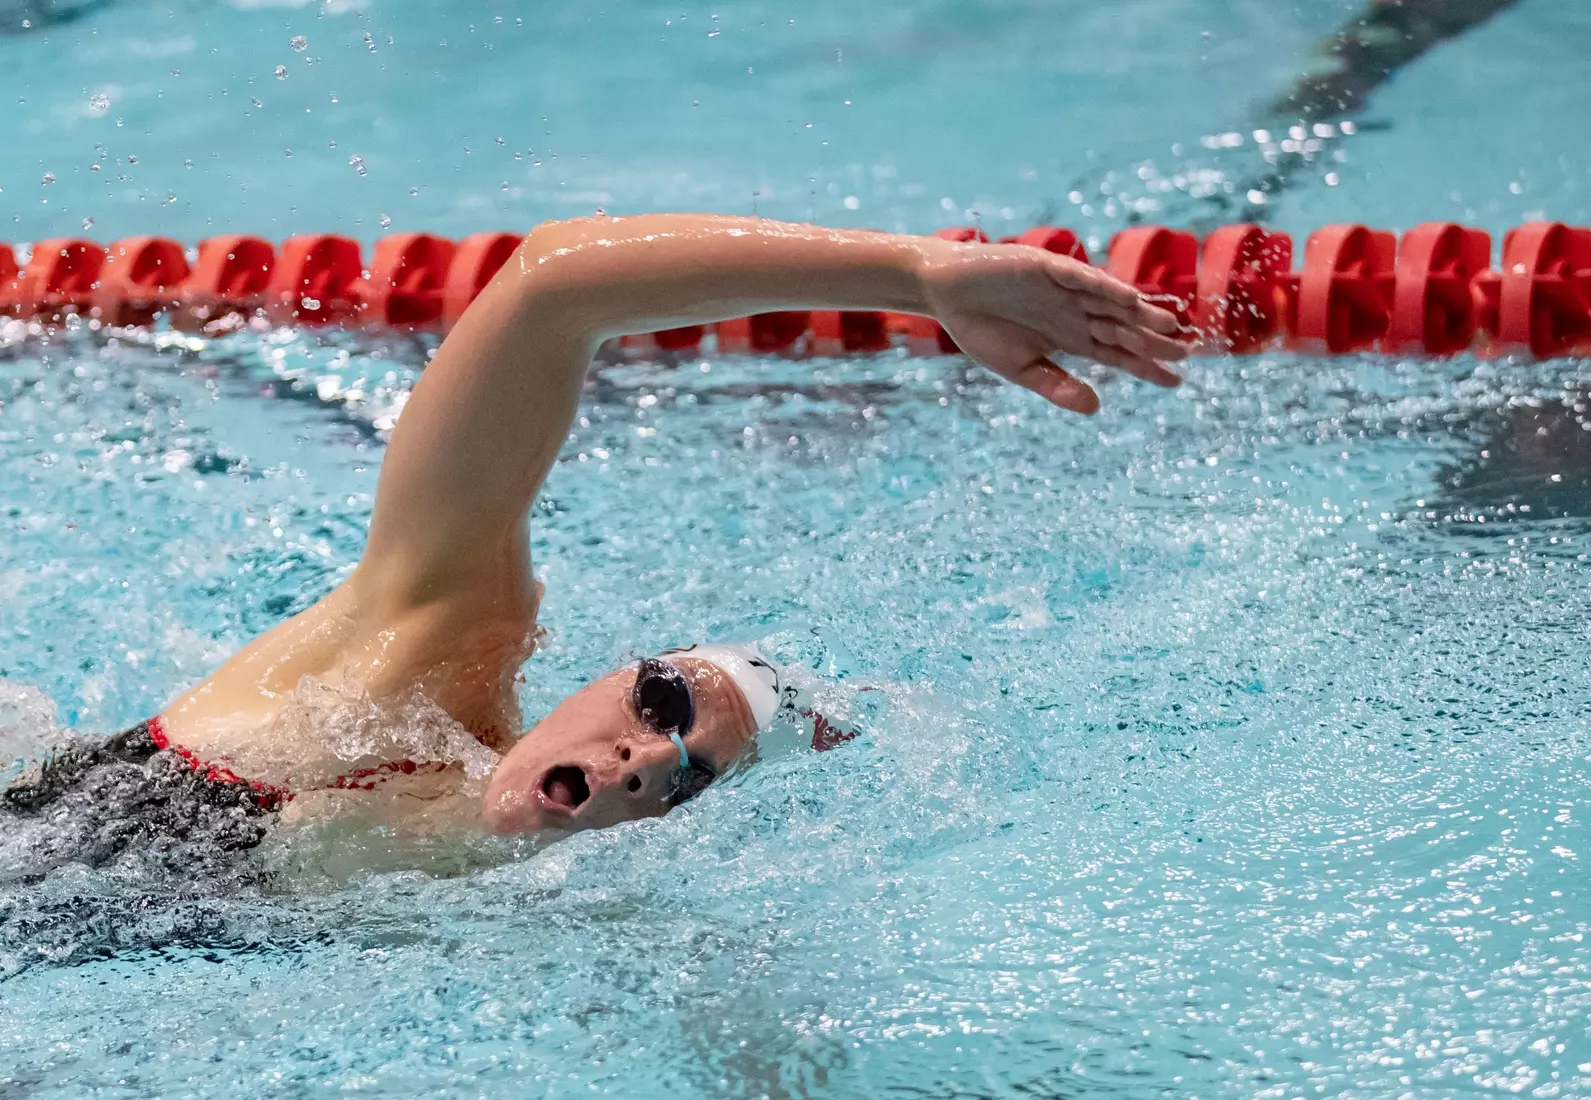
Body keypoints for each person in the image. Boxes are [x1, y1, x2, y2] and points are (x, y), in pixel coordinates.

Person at [4, 214, 1189, 857]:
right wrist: (912, 272)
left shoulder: (495, 893)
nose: (645, 757)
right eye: (660, 707)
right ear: (610, 673)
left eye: (684, 776)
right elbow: (548, 286)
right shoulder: (430, 657)